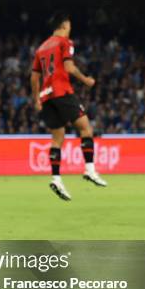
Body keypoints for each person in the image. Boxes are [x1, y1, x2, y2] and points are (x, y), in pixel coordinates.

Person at [31, 12, 108, 201]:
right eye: (70, 26)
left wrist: (36, 99)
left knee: (57, 138)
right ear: (64, 25)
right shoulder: (65, 43)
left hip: (46, 96)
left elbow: (34, 77)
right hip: (62, 91)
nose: (70, 29)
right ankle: (90, 169)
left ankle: (56, 179)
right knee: (85, 128)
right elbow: (68, 68)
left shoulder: (41, 48)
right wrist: (86, 80)